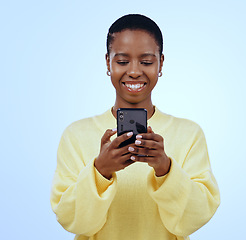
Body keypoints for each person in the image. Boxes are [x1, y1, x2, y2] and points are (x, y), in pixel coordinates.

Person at [50, 14, 220, 240]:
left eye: (146, 62)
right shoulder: (76, 135)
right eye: (122, 61)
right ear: (107, 63)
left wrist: (165, 168)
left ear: (161, 63)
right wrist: (100, 171)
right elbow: (73, 221)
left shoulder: (189, 134)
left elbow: (194, 218)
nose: (134, 71)